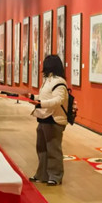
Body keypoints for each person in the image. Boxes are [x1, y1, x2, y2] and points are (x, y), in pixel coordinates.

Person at [29, 54, 69, 186]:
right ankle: (42, 174)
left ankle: (55, 176)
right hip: (43, 118)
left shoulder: (59, 82)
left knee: (53, 149)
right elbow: (45, 96)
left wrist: (41, 104)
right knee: (41, 149)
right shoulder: (47, 80)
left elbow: (58, 100)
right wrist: (33, 97)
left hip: (54, 119)